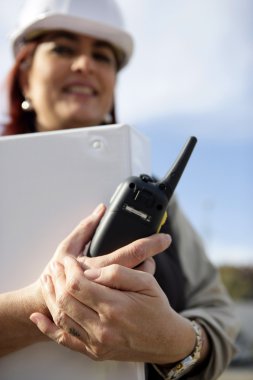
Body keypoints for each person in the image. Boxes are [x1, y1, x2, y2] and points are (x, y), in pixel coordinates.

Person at [0, 0, 239, 379]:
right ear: (25, 76)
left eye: (103, 56)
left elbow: (218, 313)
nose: (85, 65)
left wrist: (178, 344)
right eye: (63, 48)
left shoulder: (159, 203)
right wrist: (42, 306)